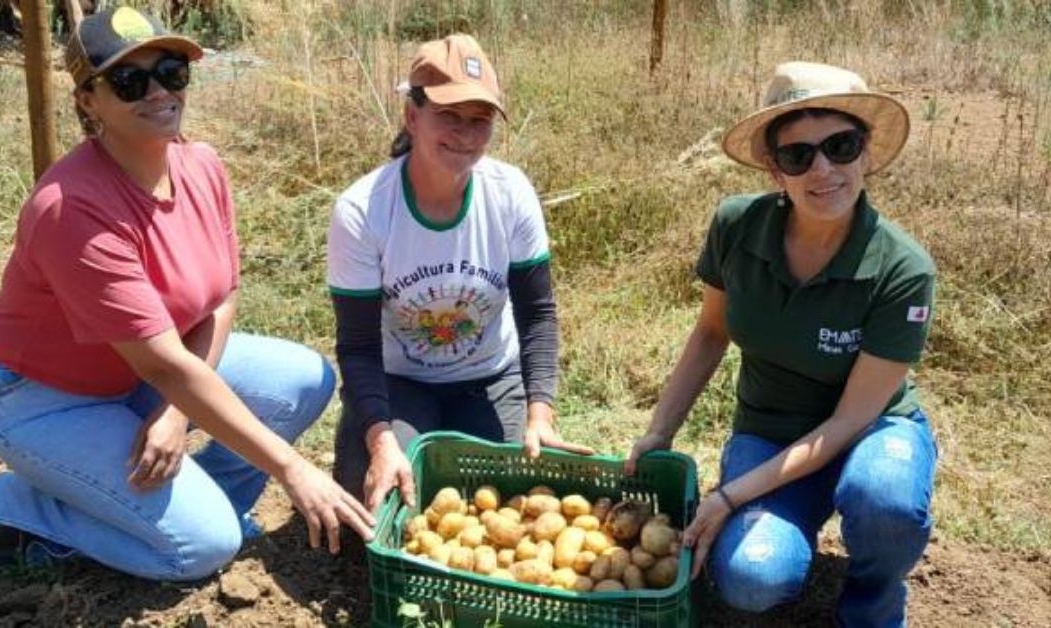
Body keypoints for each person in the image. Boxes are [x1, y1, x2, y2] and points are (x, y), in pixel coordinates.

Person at [0, 6, 373, 581]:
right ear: (88, 101)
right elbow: (164, 364)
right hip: (45, 397)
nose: (158, 91)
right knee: (199, 551)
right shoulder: (72, 209)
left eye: (171, 71)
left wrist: (175, 411)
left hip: (142, 376)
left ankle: (199, 506)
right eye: (130, 81)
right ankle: (26, 506)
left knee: (303, 379)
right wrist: (292, 470)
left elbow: (221, 298)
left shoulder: (202, 166)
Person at [624, 62, 937, 627]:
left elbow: (846, 423)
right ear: (775, 169)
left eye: (841, 146)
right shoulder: (737, 227)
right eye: (799, 155)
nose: (824, 169)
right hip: (771, 427)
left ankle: (871, 602)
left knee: (884, 499)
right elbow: (711, 332)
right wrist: (659, 431)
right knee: (751, 578)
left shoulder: (903, 269)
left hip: (869, 428)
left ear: (866, 153)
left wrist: (728, 496)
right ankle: (795, 526)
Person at [327, 34, 592, 514]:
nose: (466, 135)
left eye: (480, 120)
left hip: (491, 377)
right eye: (449, 116)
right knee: (381, 500)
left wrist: (541, 412)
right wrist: (381, 441)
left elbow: (537, 314)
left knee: (513, 500)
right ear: (412, 115)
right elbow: (358, 347)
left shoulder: (510, 193)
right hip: (399, 381)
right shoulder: (363, 211)